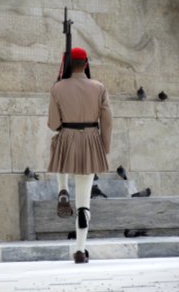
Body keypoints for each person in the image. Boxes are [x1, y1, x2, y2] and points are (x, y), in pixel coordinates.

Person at [47, 47, 112, 263]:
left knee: (57, 148)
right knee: (84, 202)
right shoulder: (99, 87)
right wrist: (104, 147)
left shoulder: (58, 87)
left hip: (67, 138)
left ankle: (62, 187)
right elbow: (107, 121)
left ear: (67, 65)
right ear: (86, 64)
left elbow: (53, 124)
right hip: (91, 140)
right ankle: (79, 250)